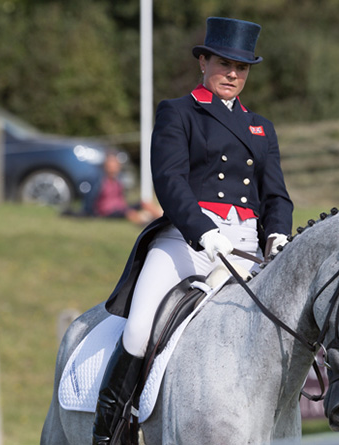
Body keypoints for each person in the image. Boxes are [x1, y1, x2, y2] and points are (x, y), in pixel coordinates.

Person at [92, 17, 293, 444]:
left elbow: (276, 194)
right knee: (141, 328)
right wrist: (204, 231)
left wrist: (277, 233)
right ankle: (109, 432)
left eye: (242, 68)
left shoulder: (261, 128)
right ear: (203, 62)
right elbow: (169, 180)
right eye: (224, 63)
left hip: (245, 247)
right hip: (187, 241)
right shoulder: (178, 112)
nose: (233, 74)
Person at [92, 152, 163, 225]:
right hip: (109, 212)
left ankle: (161, 217)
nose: (115, 168)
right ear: (106, 166)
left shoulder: (118, 182)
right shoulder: (100, 182)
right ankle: (145, 223)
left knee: (144, 203)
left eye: (116, 165)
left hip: (121, 208)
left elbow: (121, 199)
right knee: (129, 213)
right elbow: (93, 201)